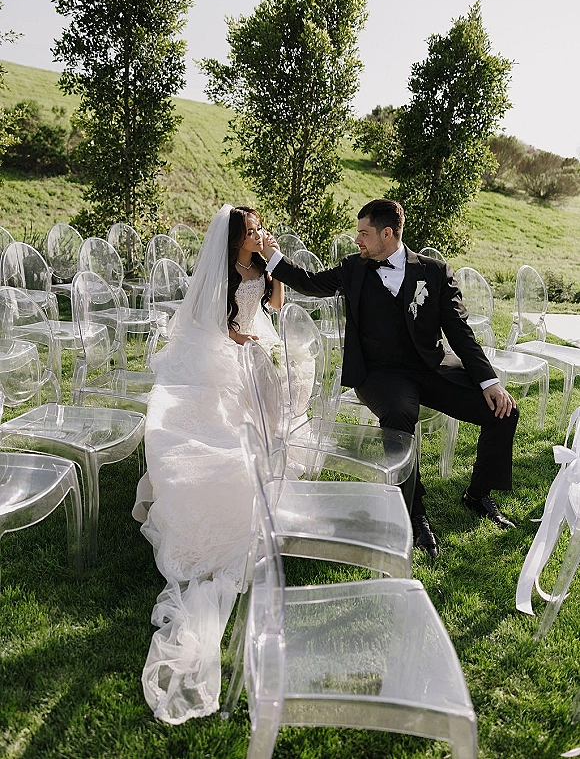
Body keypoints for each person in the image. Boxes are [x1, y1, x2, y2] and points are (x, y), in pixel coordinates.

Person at [262, 198, 519, 559]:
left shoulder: (435, 272)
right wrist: (271, 257)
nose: (357, 240)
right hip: (379, 373)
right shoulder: (353, 268)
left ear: (387, 234)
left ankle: (478, 495)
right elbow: (311, 284)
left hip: (431, 366)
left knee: (503, 411)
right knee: (399, 415)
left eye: (363, 234)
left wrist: (489, 382)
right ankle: (414, 512)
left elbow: (460, 333)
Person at [132, 204, 283, 724]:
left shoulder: (260, 267)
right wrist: (240, 339)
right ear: (235, 237)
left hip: (254, 347)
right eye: (252, 230)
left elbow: (276, 303)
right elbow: (212, 323)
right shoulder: (219, 274)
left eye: (259, 229)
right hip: (221, 358)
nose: (258, 234)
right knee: (212, 431)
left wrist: (273, 265)